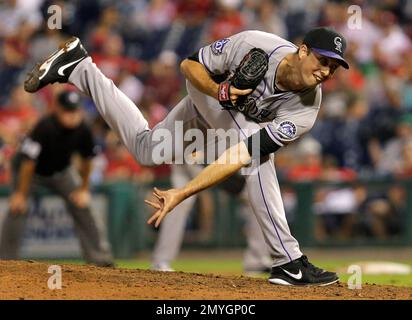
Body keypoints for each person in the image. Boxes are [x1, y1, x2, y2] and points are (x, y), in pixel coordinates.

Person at [24, 26, 349, 286]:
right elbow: (189, 65)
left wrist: (182, 192)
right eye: (322, 60)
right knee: (258, 158)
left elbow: (241, 153)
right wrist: (219, 91)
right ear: (302, 50)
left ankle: (80, 68)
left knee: (147, 149)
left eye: (333, 67)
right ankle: (288, 262)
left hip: (229, 120)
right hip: (207, 90)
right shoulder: (255, 43)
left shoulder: (307, 110)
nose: (326, 71)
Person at [0, 90, 113, 267]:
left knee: (84, 206)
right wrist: (21, 194)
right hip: (30, 172)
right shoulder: (45, 127)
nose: (72, 116)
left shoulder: (83, 128)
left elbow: (87, 161)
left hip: (61, 171)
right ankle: (6, 263)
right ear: (58, 109)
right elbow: (28, 163)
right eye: (68, 111)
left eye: (75, 110)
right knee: (17, 208)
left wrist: (83, 189)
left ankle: (100, 260)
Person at [152, 164, 271, 274]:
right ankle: (161, 261)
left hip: (208, 156)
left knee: (255, 197)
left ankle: (257, 260)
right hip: (196, 156)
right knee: (179, 203)